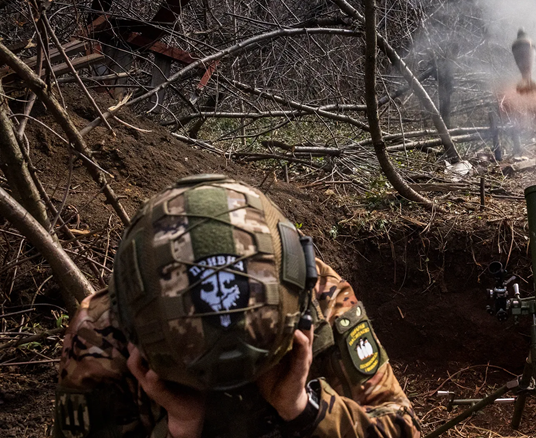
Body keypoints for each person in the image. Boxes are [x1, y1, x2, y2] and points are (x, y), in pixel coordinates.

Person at [53, 174, 421, 438]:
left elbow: (401, 427)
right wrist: (180, 428)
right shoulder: (100, 336)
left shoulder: (318, 299)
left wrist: (303, 409)